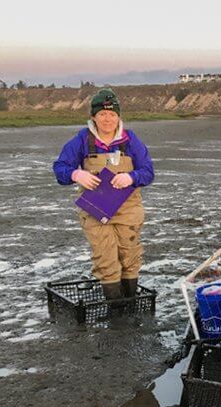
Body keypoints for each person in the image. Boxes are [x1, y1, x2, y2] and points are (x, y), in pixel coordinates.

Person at [52, 88, 154, 301]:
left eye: (112, 114)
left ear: (119, 117)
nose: (108, 119)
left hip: (129, 210)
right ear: (93, 117)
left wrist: (132, 177)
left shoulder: (130, 140)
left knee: (130, 257)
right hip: (95, 211)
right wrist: (75, 174)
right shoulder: (82, 140)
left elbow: (148, 172)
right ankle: (115, 309)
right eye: (102, 114)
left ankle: (130, 303)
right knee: (106, 260)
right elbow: (60, 168)